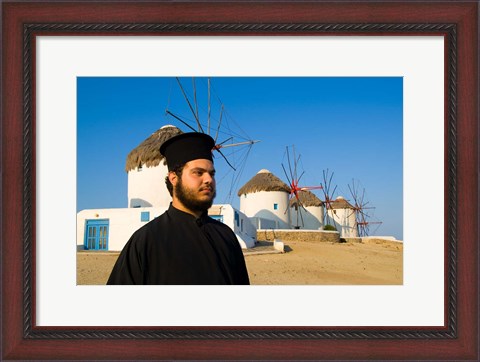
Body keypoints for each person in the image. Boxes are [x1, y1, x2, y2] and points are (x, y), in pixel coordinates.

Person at [107, 132, 250, 285]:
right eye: (198, 173)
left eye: (211, 173)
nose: (209, 179)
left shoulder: (226, 235)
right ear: (174, 178)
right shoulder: (145, 241)